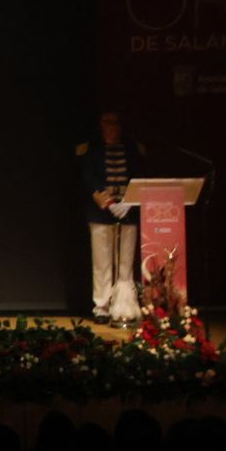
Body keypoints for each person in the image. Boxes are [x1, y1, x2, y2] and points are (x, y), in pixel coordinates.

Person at [77, 109, 145, 324]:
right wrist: (108, 202)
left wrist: (129, 202)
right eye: (107, 122)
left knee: (125, 263)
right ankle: (102, 306)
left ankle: (124, 305)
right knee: (102, 262)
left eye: (115, 122)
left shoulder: (133, 148)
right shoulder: (91, 149)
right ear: (101, 125)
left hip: (129, 212)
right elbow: (89, 177)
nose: (112, 126)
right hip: (100, 213)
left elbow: (139, 175)